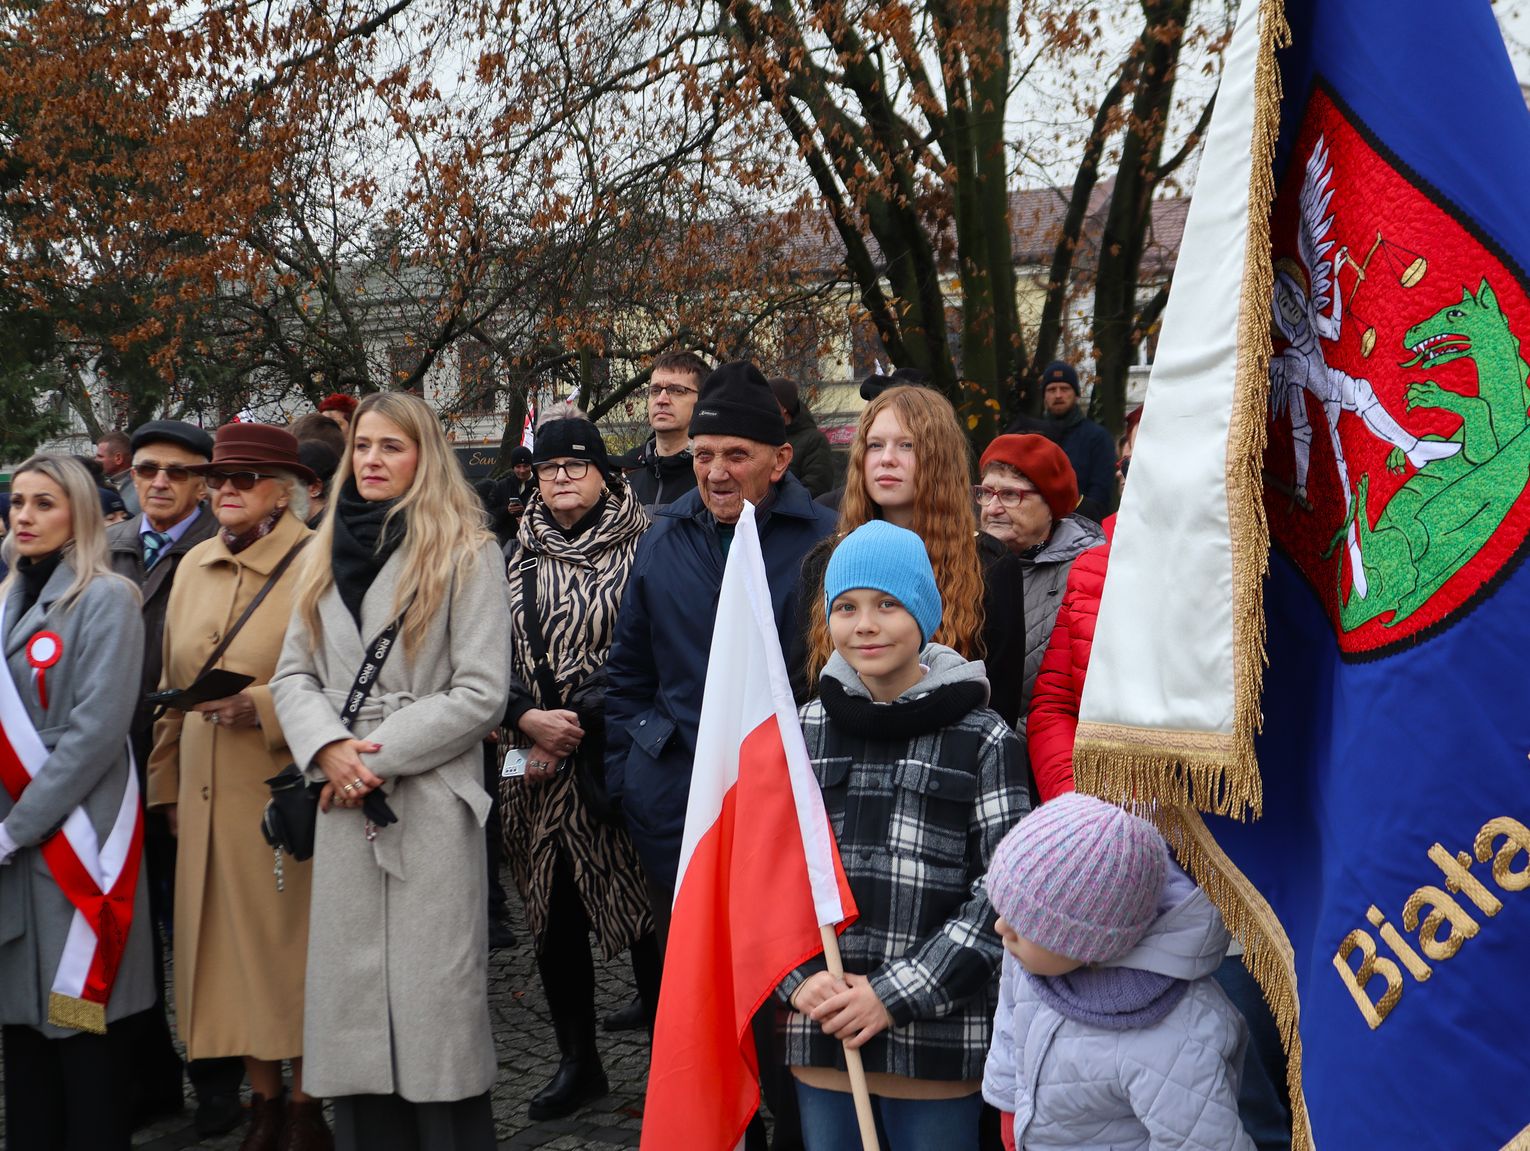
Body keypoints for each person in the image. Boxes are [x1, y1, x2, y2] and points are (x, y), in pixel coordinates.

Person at [272, 390, 511, 1151]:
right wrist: (326, 748)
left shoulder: (469, 550)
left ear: (424, 456)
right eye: (363, 446)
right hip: (346, 805)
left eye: (391, 446)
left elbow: (481, 691)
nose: (372, 459)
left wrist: (368, 756)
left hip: (428, 805)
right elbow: (291, 676)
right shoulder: (318, 548)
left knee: (433, 1011)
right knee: (354, 1015)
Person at [605, 360, 834, 1151]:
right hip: (684, 814)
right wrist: (638, 773)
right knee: (706, 989)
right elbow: (626, 676)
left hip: (788, 812)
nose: (714, 471)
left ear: (779, 459)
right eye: (703, 454)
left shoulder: (823, 543)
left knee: (789, 992)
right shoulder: (663, 538)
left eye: (735, 454)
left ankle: (794, 1126)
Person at [781, 521, 1029, 1150]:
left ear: (923, 611)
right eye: (846, 607)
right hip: (825, 1030)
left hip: (937, 1039)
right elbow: (761, 875)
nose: (865, 625)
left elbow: (1003, 892)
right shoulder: (798, 734)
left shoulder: (984, 737)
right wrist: (799, 981)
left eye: (887, 604)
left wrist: (892, 995)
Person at [145, 424, 328, 1151]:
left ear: (282, 493)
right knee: (224, 953)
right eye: (219, 477)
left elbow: (344, 679)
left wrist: (265, 706)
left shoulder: (319, 564)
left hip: (280, 788)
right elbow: (171, 684)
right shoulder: (192, 565)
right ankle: (264, 1101)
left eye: (244, 478)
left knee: (291, 950)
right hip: (202, 794)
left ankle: (309, 1105)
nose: (226, 488)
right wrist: (165, 786)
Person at [500, 415, 660, 1120]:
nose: (561, 477)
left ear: (606, 473)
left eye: (575, 464)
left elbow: (657, 648)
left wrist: (579, 720)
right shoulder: (513, 555)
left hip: (619, 760)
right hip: (533, 772)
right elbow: (481, 655)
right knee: (552, 917)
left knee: (647, 918)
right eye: (548, 467)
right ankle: (579, 1062)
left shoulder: (647, 544)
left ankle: (670, 1058)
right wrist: (524, 716)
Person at [0, 454, 152, 1150]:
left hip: (74, 846)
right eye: (18, 502)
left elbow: (96, 731)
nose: (23, 516)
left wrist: (16, 827)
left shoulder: (108, 597)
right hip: (12, 849)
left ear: (80, 514)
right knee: (22, 1031)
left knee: (77, 1022)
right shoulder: (5, 600)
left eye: (43, 503)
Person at [106, 419, 247, 1136]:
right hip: (106, 777)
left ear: (204, 480)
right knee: (122, 934)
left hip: (191, 770)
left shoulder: (219, 547)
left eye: (177, 471)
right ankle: (147, 1075)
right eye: (146, 468)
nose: (158, 481)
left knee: (197, 929)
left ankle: (219, 1079)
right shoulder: (104, 549)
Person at [982, 794, 1255, 1151]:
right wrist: (1008, 1108)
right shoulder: (1027, 959)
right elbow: (1011, 1025)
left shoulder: (1175, 1038)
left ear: (1086, 945)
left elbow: (1203, 1142)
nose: (1001, 927)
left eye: (1024, 924)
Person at [803, 385, 1028, 728]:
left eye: (906, 445)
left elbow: (1000, 704)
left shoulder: (988, 564)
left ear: (939, 458)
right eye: (875, 445)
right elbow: (806, 692)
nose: (886, 458)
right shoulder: (827, 560)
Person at [975, 434, 1104, 728]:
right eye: (986, 492)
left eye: (1009, 495)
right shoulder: (965, 566)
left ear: (1050, 505)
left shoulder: (1086, 576)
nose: (992, 508)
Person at [615, 350, 708, 509]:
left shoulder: (711, 479)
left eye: (677, 390)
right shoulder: (624, 481)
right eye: (655, 391)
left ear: (702, 400)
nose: (662, 400)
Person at [1036, 361, 1116, 511]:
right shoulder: (1034, 438)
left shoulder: (1097, 438)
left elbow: (1100, 492)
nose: (1058, 395)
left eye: (1064, 389)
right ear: (1044, 396)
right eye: (1052, 389)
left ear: (1076, 394)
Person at [769, 376, 835, 498]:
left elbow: (817, 487)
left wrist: (778, 505)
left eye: (769, 400)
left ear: (784, 407)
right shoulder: (765, 438)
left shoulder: (815, 440)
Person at [96, 428, 143, 515]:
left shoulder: (140, 489)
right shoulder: (104, 485)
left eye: (100, 456)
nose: (96, 460)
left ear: (118, 458)